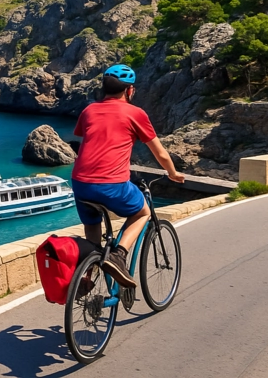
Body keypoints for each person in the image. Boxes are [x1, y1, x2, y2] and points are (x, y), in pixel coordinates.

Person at [71, 63, 184, 288]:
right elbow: (160, 153)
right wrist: (173, 173)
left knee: (92, 225)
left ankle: (86, 276)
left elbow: (92, 140)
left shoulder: (89, 110)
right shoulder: (135, 113)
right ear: (129, 90)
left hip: (80, 183)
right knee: (143, 212)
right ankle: (119, 255)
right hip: (112, 184)